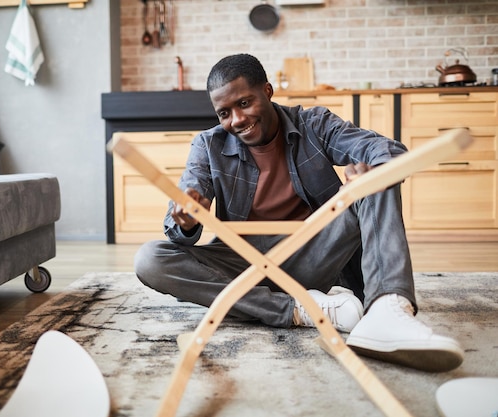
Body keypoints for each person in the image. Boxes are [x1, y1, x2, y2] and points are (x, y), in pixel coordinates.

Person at [134, 53, 463, 373]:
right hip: (243, 262)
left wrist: (371, 172)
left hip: (312, 255)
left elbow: (388, 151)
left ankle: (387, 310)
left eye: (244, 103)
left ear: (267, 91)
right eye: (224, 113)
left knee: (379, 175)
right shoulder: (208, 145)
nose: (236, 120)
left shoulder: (314, 124)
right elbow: (178, 216)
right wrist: (187, 217)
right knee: (150, 259)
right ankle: (301, 310)